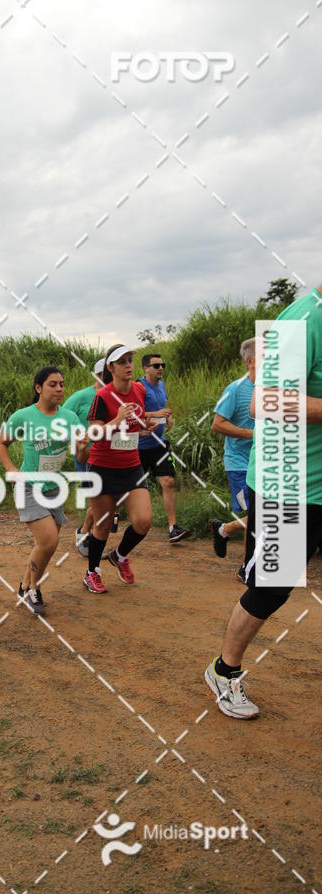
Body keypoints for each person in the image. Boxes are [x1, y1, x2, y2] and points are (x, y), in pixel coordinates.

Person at [205, 286, 322, 719]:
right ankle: (224, 670)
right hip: (289, 483)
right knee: (272, 588)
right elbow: (263, 401)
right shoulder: (303, 321)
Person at [0, 366, 88, 614]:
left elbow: (82, 456)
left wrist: (82, 448)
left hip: (54, 488)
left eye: (62, 384)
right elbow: (2, 444)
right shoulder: (23, 416)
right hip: (28, 487)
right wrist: (11, 469)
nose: (59, 389)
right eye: (53, 384)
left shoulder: (70, 418)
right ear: (38, 388)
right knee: (48, 540)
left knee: (46, 545)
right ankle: (34, 588)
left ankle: (25, 585)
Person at [83, 344, 158, 593]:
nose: (128, 365)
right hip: (102, 468)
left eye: (129, 360)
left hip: (131, 467)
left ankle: (120, 555)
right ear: (110, 368)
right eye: (122, 362)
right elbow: (94, 433)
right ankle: (92, 572)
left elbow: (136, 420)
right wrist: (116, 420)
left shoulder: (139, 389)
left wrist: (144, 425)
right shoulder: (103, 396)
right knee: (103, 525)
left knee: (143, 521)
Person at [209, 339, 256, 582]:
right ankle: (247, 567)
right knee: (256, 515)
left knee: (260, 514)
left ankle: (224, 529)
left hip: (263, 463)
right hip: (239, 463)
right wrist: (252, 434)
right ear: (250, 361)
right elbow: (217, 424)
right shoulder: (236, 389)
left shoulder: (273, 389)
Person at [138, 354, 190, 544]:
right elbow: (133, 414)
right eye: (156, 365)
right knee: (128, 488)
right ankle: (110, 517)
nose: (160, 368)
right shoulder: (138, 387)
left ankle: (173, 528)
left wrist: (168, 417)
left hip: (158, 444)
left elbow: (164, 407)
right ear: (145, 368)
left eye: (162, 365)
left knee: (168, 481)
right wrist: (156, 414)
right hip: (138, 446)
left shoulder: (161, 385)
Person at [62, 358, 106, 557]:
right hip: (87, 455)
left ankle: (88, 533)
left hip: (110, 455)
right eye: (103, 374)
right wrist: (74, 440)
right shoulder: (81, 397)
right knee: (99, 500)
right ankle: (86, 534)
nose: (107, 378)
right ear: (96, 375)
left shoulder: (115, 396)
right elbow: (61, 418)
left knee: (111, 498)